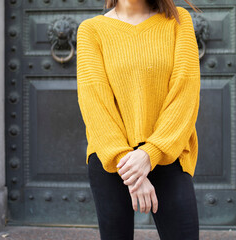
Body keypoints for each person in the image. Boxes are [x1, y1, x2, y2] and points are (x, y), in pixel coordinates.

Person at [76, 0, 202, 239]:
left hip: (168, 154)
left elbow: (186, 93)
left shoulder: (177, 21)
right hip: (111, 160)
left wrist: (149, 154)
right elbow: (95, 105)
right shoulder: (91, 30)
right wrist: (130, 167)